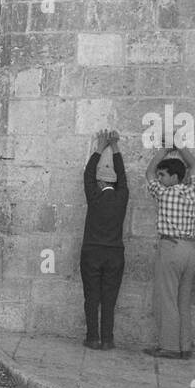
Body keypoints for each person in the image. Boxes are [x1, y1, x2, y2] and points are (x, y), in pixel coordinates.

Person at [144, 141, 195, 359]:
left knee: (167, 298)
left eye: (164, 175)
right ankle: (184, 346)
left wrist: (165, 148)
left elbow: (149, 172)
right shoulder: (193, 192)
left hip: (170, 247)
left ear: (173, 177)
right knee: (183, 300)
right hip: (189, 249)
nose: (160, 178)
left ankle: (169, 346)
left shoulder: (164, 193)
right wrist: (181, 146)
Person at [79, 130, 129, 350]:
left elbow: (87, 174)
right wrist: (115, 147)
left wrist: (100, 147)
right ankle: (107, 339)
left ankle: (92, 337)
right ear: (115, 183)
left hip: (92, 252)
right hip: (114, 253)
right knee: (109, 298)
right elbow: (123, 176)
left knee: (92, 297)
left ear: (99, 183)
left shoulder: (95, 197)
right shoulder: (121, 197)